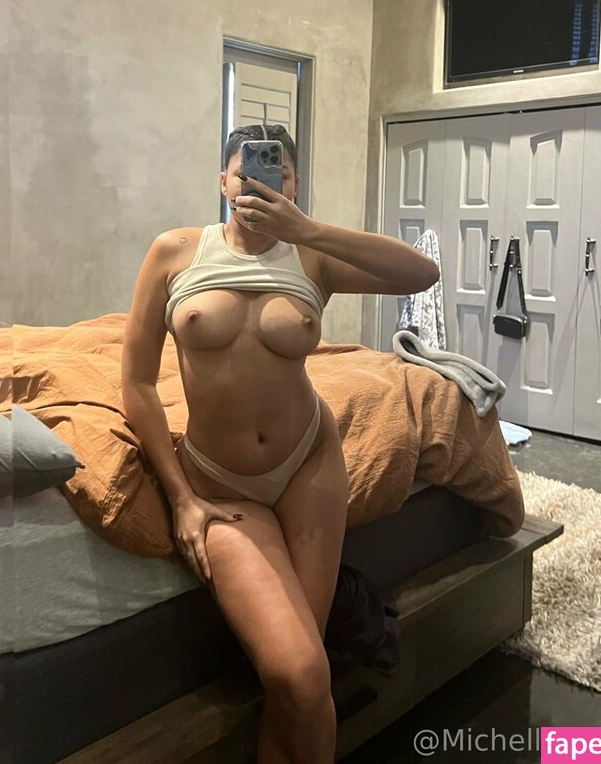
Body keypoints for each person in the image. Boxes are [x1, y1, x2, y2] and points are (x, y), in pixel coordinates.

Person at [121, 122, 439, 764]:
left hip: (309, 465)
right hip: (217, 481)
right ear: (224, 181)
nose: (261, 183)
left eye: (279, 173)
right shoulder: (176, 253)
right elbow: (138, 385)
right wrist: (181, 498)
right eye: (246, 172)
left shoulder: (310, 257)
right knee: (300, 673)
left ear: (293, 185)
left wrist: (309, 230)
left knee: (297, 681)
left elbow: (421, 273)